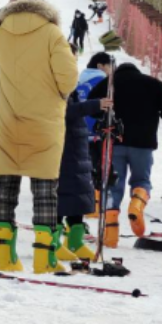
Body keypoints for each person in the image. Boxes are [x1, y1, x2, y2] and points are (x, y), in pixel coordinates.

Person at [0, 0, 78, 274]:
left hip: (8, 123)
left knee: (5, 189)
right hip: (44, 123)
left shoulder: (0, 34)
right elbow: (69, 78)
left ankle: (4, 257)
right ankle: (45, 259)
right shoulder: (52, 34)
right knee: (45, 191)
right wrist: (58, 95)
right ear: (43, 7)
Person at [89, 63, 162, 243]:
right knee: (141, 180)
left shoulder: (109, 84)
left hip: (114, 142)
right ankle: (136, 204)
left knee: (112, 185)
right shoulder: (152, 84)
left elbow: (92, 105)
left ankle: (110, 236)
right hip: (143, 144)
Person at [57, 43, 112, 262]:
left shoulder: (70, 79)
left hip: (77, 142)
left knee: (80, 193)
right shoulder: (53, 78)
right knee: (63, 193)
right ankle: (52, 241)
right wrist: (94, 105)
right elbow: (61, 110)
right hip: (62, 143)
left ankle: (75, 240)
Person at [76, 52, 113, 217]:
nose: (111, 70)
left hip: (79, 130)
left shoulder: (78, 80)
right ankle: (97, 203)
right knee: (100, 166)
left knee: (83, 167)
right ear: (100, 66)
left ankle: (84, 201)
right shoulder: (103, 82)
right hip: (98, 131)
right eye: (109, 66)